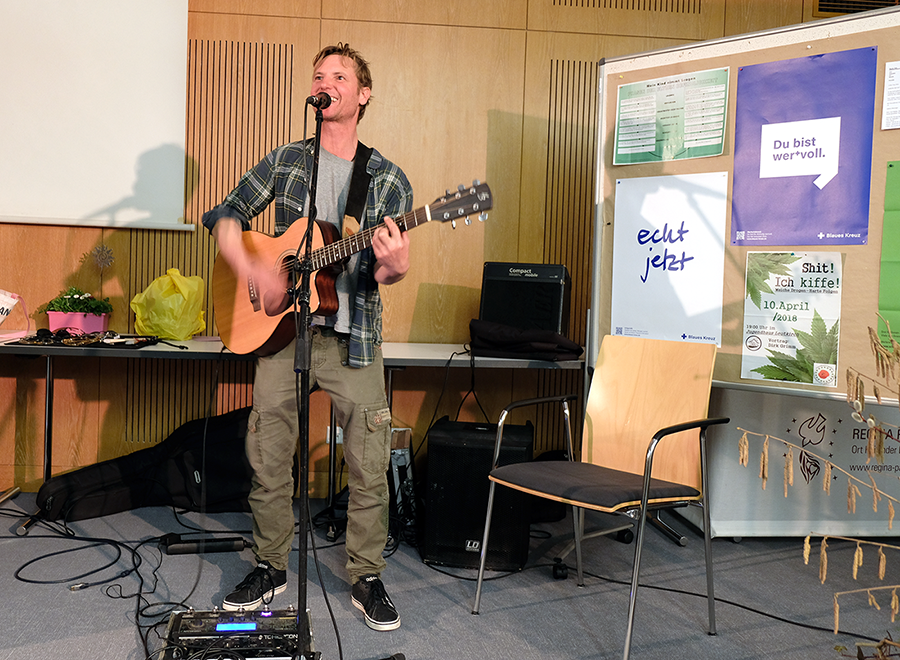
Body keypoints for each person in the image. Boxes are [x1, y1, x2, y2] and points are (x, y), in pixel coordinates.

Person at [201, 42, 413, 632]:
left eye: (340, 76)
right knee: (269, 457)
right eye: (319, 76)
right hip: (281, 337)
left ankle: (366, 575)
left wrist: (393, 266)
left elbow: (383, 272)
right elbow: (222, 215)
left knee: (369, 462)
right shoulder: (290, 160)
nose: (326, 83)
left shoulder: (388, 181)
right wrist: (254, 270)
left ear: (362, 94)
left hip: (353, 340)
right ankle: (270, 565)